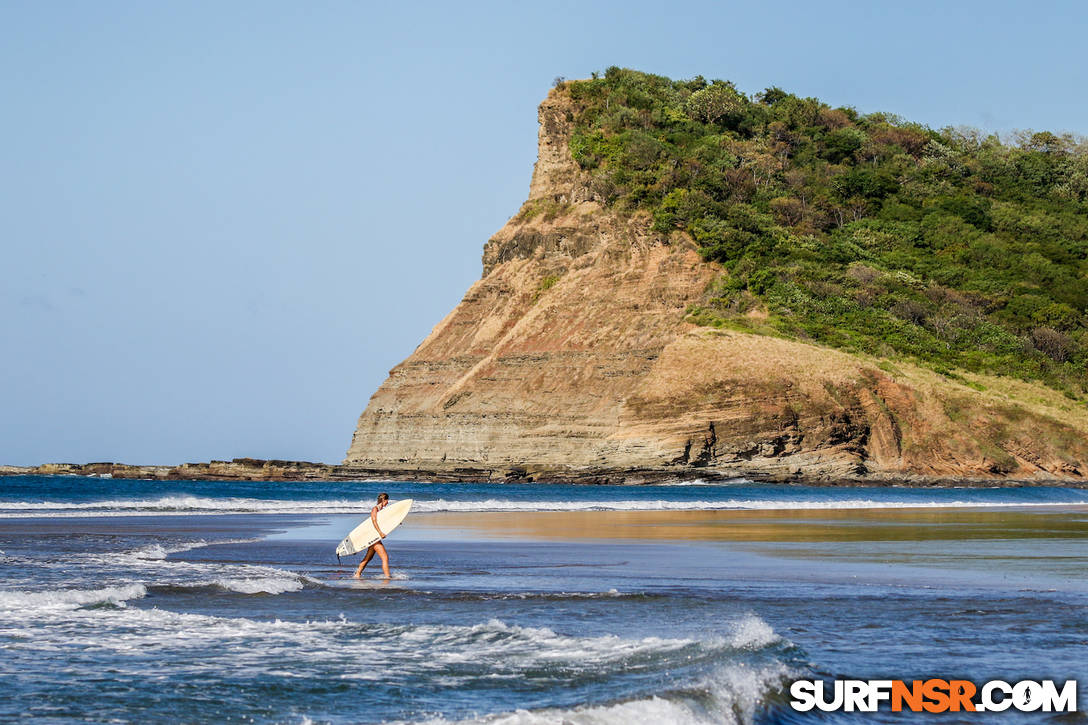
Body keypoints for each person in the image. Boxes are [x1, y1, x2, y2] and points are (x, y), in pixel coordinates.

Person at [353, 493, 391, 579]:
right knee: (385, 557)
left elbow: (384, 522)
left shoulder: (381, 511)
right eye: (387, 501)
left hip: (374, 537)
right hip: (374, 537)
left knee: (368, 558)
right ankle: (387, 576)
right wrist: (380, 533)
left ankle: (357, 574)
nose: (388, 503)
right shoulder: (375, 509)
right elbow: (374, 522)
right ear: (383, 500)